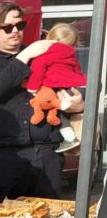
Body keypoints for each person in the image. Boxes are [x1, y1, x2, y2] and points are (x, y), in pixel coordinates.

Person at [0, 0, 80, 202]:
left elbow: (63, 88)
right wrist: (26, 55)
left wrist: (79, 106)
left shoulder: (42, 56)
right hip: (10, 155)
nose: (15, 31)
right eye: (7, 27)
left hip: (48, 151)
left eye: (20, 25)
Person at [27, 22, 86, 152]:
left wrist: (32, 88)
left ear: (51, 37)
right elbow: (77, 69)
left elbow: (38, 70)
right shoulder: (71, 55)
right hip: (75, 86)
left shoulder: (45, 54)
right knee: (61, 110)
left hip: (56, 85)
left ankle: (70, 139)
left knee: (57, 112)